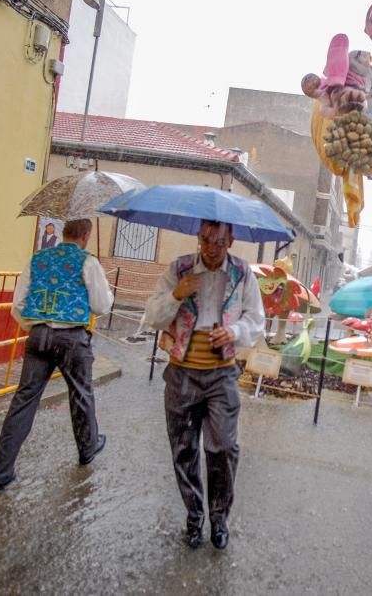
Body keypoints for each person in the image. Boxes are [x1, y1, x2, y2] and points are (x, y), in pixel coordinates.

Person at [144, 220, 265, 551]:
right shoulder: (178, 268)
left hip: (221, 374)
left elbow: (256, 320)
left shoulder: (242, 273)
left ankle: (219, 517)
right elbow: (152, 317)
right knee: (184, 449)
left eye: (220, 242)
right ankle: (194, 515)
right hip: (181, 372)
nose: (212, 249)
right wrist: (176, 294)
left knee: (223, 448)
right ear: (198, 237)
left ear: (231, 240)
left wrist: (234, 332)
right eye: (207, 240)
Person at [0, 218, 113, 490]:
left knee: (24, 400)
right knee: (81, 394)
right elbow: (101, 305)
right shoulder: (88, 262)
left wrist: (36, 327)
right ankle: (87, 448)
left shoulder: (38, 259)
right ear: (86, 235)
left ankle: (1, 471)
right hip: (72, 339)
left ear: (64, 233)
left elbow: (18, 304)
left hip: (39, 336)